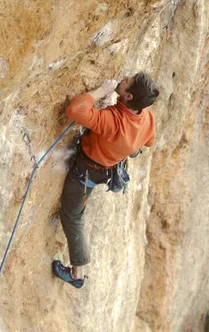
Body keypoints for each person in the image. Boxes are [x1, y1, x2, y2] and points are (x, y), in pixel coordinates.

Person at [52, 72, 159, 288]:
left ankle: (77, 274)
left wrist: (101, 91)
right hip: (109, 166)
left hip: (87, 171)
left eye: (127, 81)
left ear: (128, 97)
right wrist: (126, 146)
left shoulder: (112, 121)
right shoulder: (146, 116)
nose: (125, 77)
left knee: (73, 217)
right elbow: (148, 142)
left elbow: (75, 111)